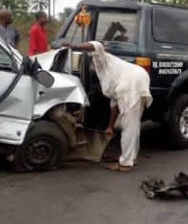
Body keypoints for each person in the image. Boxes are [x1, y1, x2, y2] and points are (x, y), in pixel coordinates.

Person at [65, 41, 152, 172]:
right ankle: (131, 157)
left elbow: (95, 45)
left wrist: (74, 46)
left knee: (128, 125)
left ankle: (125, 164)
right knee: (133, 124)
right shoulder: (109, 71)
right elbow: (114, 104)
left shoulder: (101, 59)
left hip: (131, 82)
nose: (91, 68)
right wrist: (110, 126)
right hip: (138, 78)